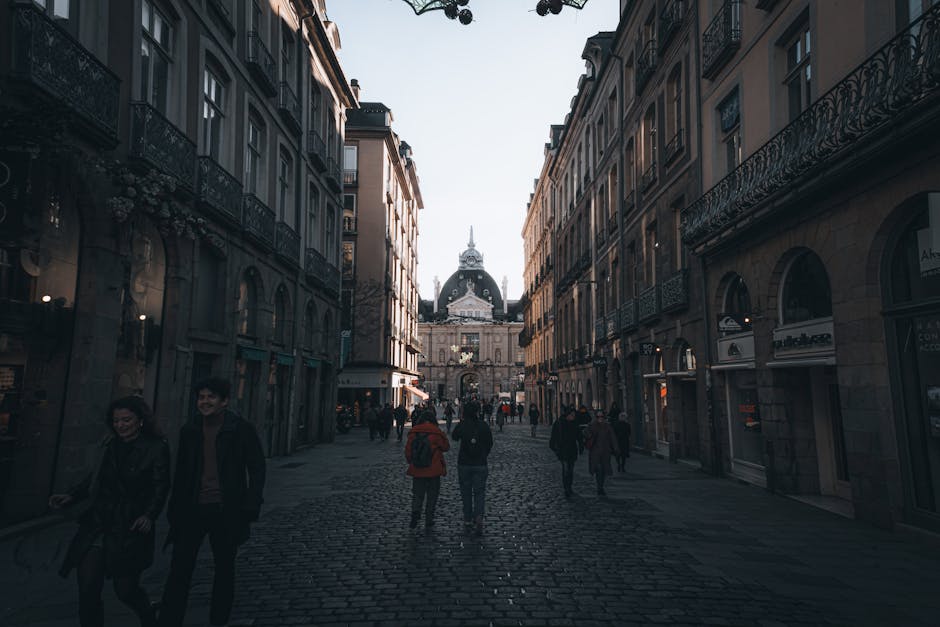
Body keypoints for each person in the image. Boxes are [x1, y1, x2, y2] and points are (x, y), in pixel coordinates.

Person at [50, 396, 170, 627]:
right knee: (87, 587)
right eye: (116, 421)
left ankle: (147, 614)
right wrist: (72, 496)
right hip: (98, 521)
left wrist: (149, 515)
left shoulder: (156, 447)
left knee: (125, 590)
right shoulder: (109, 444)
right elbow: (95, 478)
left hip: (129, 525)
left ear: (140, 421)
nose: (120, 425)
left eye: (126, 420)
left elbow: (160, 486)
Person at [158, 378, 266, 627]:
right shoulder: (190, 430)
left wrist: (251, 504)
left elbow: (257, 467)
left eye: (211, 397)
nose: (205, 402)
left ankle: (218, 620)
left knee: (224, 569)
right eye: (201, 397)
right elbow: (182, 473)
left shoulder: (240, 429)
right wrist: (175, 509)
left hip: (226, 509)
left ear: (224, 401)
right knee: (179, 570)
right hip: (193, 509)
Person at [451, 401, 493, 536]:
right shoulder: (483, 425)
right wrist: (483, 454)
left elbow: (454, 436)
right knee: (479, 493)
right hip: (480, 464)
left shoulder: (463, 424)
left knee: (466, 492)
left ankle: (468, 519)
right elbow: (490, 442)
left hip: (464, 463)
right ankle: (479, 516)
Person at [405, 410, 451, 529]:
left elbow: (408, 451)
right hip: (433, 469)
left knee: (417, 494)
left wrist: (411, 462)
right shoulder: (436, 432)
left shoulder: (414, 432)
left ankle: (415, 511)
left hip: (417, 469)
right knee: (432, 495)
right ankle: (429, 518)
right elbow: (446, 447)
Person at [549, 405, 583, 498]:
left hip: (572, 450)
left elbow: (579, 436)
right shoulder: (559, 423)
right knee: (566, 469)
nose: (573, 416)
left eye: (574, 415)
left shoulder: (575, 423)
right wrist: (555, 449)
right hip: (563, 451)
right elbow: (553, 437)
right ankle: (566, 488)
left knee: (570, 470)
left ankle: (569, 486)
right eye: (572, 415)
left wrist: (581, 446)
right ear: (567, 415)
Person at [584, 409, 619, 497]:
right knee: (598, 469)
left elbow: (613, 438)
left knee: (603, 470)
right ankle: (599, 488)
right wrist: (589, 434)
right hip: (595, 452)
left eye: (601, 416)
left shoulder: (608, 426)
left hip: (605, 452)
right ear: (595, 417)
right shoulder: (591, 425)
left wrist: (616, 449)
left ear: (604, 417)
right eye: (598, 416)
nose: (600, 418)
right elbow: (585, 433)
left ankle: (601, 486)